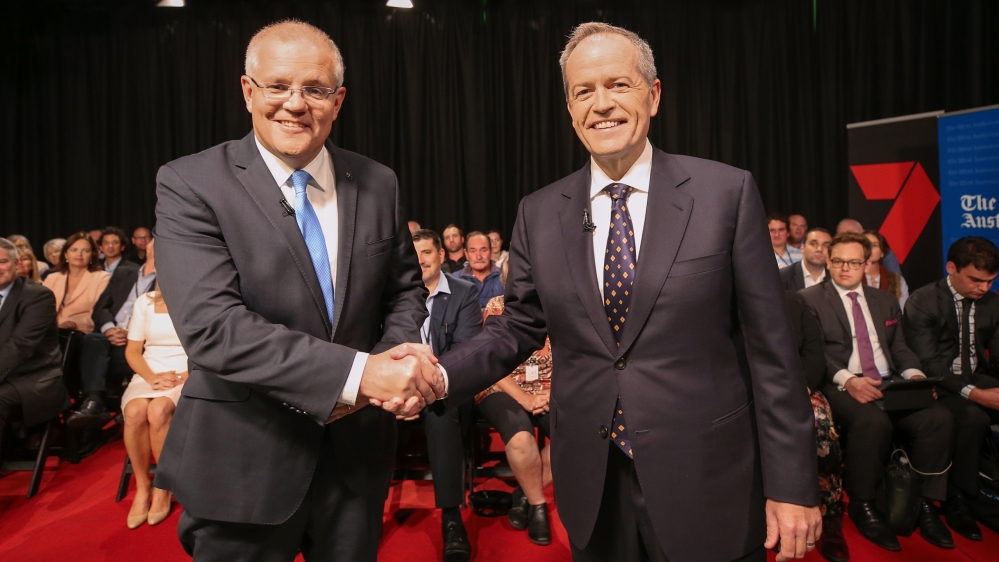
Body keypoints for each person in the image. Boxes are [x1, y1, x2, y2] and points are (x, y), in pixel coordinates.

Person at [437, 22, 820, 562]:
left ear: (654, 94)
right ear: (569, 109)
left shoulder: (724, 194)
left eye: (618, 84)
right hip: (593, 481)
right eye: (583, 91)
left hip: (708, 475)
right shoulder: (538, 212)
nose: (601, 104)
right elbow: (517, 325)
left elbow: (773, 353)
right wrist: (440, 373)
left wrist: (794, 484)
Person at [153, 20, 443, 561]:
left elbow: (404, 290)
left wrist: (394, 358)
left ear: (339, 100)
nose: (295, 104)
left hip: (356, 462)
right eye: (278, 86)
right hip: (244, 461)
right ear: (247, 91)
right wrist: (361, 374)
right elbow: (213, 330)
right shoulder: (191, 182)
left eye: (314, 89)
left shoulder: (379, 181)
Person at [798, 232, 955, 552]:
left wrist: (915, 376)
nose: (845, 268)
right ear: (828, 260)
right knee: (872, 422)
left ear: (867, 263)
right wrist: (848, 380)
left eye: (854, 262)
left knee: (938, 418)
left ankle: (925, 503)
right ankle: (863, 503)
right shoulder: (809, 299)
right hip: (841, 381)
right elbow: (815, 353)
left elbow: (900, 348)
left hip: (888, 380)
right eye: (838, 261)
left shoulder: (883, 299)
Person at [903, 236, 999, 539]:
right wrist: (977, 394)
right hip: (938, 383)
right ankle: (960, 500)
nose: (984, 288)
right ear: (951, 267)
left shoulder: (993, 303)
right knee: (974, 417)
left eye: (991, 281)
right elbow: (929, 364)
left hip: (977, 377)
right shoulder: (923, 300)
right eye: (976, 280)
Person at [411, 229, 482, 562]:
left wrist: (426, 387)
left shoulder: (465, 293)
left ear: (441, 255)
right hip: (402, 392)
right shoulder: (396, 297)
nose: (420, 260)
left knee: (442, 415)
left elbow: (465, 353)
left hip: (447, 391)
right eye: (415, 254)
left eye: (426, 252)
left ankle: (451, 517)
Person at [478, 294, 554, 546]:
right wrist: (524, 397)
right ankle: (538, 505)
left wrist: (554, 392)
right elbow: (489, 362)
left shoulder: (561, 302)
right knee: (521, 437)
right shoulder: (496, 307)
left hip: (550, 388)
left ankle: (522, 494)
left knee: (575, 437)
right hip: (500, 387)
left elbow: (577, 357)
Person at [784, 293, 848, 562]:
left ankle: (830, 514)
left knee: (820, 424)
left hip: (797, 386)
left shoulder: (794, 303)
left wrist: (802, 389)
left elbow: (814, 354)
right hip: (742, 389)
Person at [121, 284, 188, 529]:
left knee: (158, 410)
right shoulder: (145, 302)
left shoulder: (197, 296)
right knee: (135, 412)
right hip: (148, 371)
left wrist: (186, 375)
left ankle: (163, 487)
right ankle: (142, 486)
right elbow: (133, 351)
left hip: (186, 370)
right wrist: (150, 377)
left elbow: (207, 345)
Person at [67, 240, 154, 427]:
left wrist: (130, 333)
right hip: (109, 334)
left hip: (140, 340)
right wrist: (109, 329)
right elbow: (100, 307)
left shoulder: (167, 279)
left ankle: (121, 405)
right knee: (92, 340)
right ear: (148, 248)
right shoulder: (124, 272)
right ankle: (94, 402)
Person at [0, 238, 70, 446]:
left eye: (2, 261)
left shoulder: (38, 296)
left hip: (32, 377)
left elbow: (19, 347)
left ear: (17, 263)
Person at [42, 232, 111, 335]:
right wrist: (58, 325)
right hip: (51, 332)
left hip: (83, 334)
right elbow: (41, 310)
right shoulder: (52, 278)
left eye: (85, 251)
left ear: (92, 255)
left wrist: (72, 323)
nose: (79, 254)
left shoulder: (103, 278)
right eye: (74, 250)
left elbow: (98, 313)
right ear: (65, 254)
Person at [863, 230, 909, 310]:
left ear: (882, 252)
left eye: (874, 245)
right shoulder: (850, 278)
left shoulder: (897, 280)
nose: (869, 249)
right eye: (865, 245)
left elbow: (903, 312)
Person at [836, 219, 900, 274]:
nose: (848, 240)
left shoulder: (884, 252)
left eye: (853, 236)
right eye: (842, 237)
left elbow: (897, 281)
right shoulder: (835, 252)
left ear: (863, 233)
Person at [458, 232, 504, 309]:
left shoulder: (505, 278)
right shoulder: (454, 280)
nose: (479, 256)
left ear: (491, 252)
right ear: (466, 254)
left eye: (483, 250)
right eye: (473, 251)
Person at [781, 228, 831, 292]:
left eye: (825, 245)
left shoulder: (836, 277)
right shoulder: (783, 277)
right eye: (814, 244)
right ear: (802, 248)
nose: (819, 249)